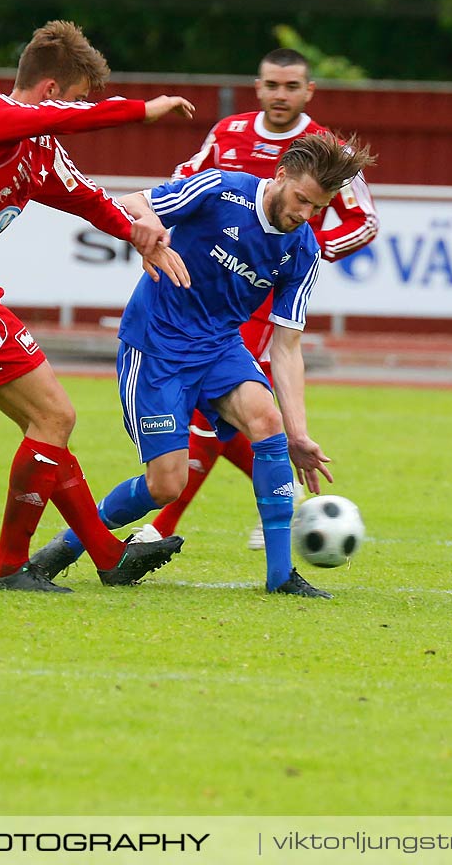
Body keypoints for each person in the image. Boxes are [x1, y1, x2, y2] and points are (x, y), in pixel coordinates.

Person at [0, 19, 198, 593]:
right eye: (82, 97)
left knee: (48, 427)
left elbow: (85, 197)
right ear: (54, 92)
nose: (85, 109)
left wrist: (139, 235)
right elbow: (58, 120)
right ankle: (11, 568)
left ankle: (107, 557)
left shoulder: (40, 151)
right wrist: (143, 109)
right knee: (55, 417)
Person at [28, 131, 378, 598]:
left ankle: (280, 578)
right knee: (165, 486)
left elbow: (287, 346)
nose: (305, 215)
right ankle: (61, 551)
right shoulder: (219, 189)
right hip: (156, 345)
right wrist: (149, 237)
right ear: (279, 177)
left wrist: (298, 434)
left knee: (267, 419)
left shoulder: (303, 249)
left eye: (317, 208)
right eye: (301, 200)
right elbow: (135, 202)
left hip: (219, 347)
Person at [152, 48, 378, 547]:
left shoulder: (328, 152)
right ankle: (282, 493)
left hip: (263, 297)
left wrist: (310, 253)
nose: (281, 95)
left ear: (308, 92)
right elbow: (185, 177)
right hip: (214, 285)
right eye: (272, 85)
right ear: (258, 87)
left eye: (291, 86)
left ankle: (158, 529)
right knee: (229, 409)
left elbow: (365, 222)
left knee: (209, 406)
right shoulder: (229, 134)